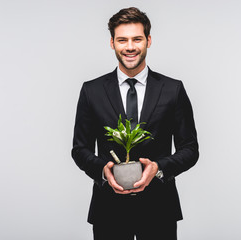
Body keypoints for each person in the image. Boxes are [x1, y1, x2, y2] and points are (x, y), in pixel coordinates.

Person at [72, 7, 199, 240]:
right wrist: (103, 170)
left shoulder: (173, 89)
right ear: (112, 43)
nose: (130, 47)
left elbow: (190, 149)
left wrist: (158, 169)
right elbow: (80, 149)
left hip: (160, 210)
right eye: (122, 40)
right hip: (108, 210)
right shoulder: (92, 91)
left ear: (148, 41)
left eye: (137, 39)